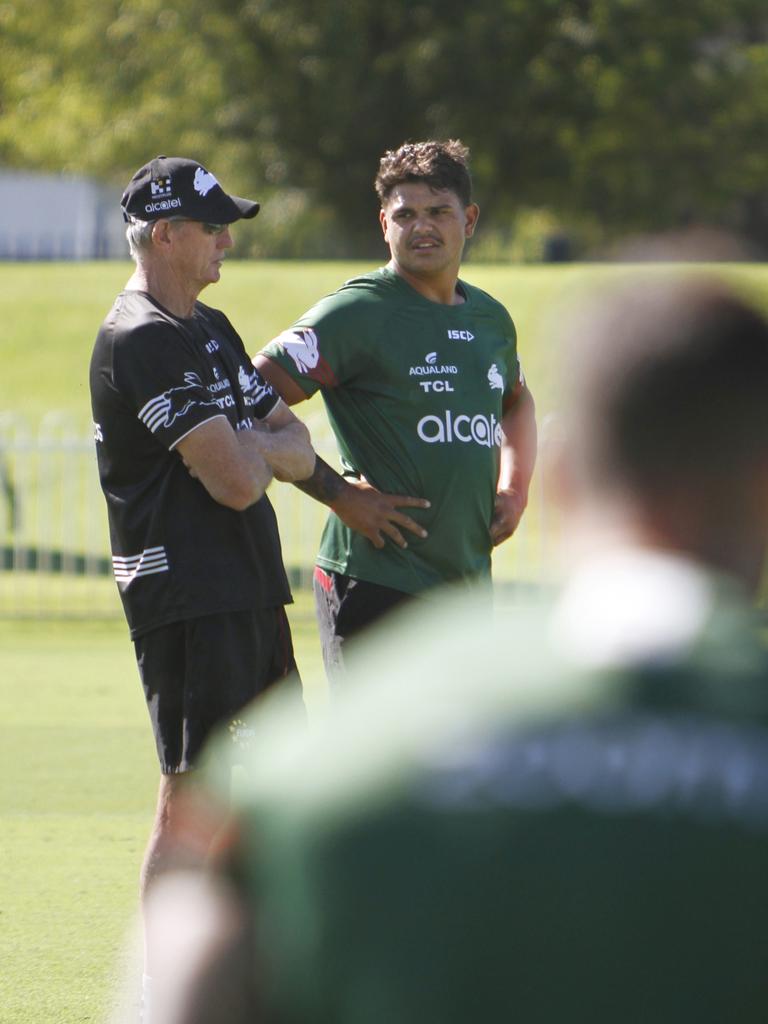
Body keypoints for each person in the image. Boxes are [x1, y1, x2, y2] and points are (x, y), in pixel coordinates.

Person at [139, 270, 768, 1024]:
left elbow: (189, 977)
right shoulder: (361, 311)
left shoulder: (311, 773)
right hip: (373, 579)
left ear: (565, 482)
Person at [89, 155, 315, 1009]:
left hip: (248, 585)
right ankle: (166, 990)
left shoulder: (209, 325)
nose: (227, 240)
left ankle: (254, 962)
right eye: (213, 226)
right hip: (188, 595)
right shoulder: (140, 335)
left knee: (273, 781)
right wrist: (259, 449)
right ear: (166, 235)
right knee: (193, 796)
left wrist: (258, 446)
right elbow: (240, 477)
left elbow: (289, 438)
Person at [253, 139, 537, 678]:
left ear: (469, 219)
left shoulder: (490, 320)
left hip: (466, 585)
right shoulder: (356, 311)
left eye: (438, 212)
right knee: (380, 760)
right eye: (405, 214)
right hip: (374, 582)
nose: (421, 227)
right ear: (384, 224)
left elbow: (517, 401)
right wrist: (336, 492)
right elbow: (249, 393)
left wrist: (515, 490)